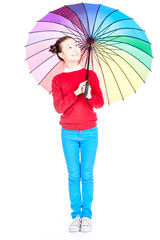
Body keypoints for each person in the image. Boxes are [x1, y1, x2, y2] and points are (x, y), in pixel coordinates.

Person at [49, 36, 104, 232]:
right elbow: (58, 107)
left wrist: (88, 95)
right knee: (73, 175)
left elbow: (99, 103)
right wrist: (76, 91)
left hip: (90, 132)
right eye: (69, 47)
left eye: (75, 46)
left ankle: (87, 215)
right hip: (69, 133)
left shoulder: (91, 74)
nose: (74, 49)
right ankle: (76, 215)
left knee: (87, 174)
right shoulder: (57, 80)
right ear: (61, 54)